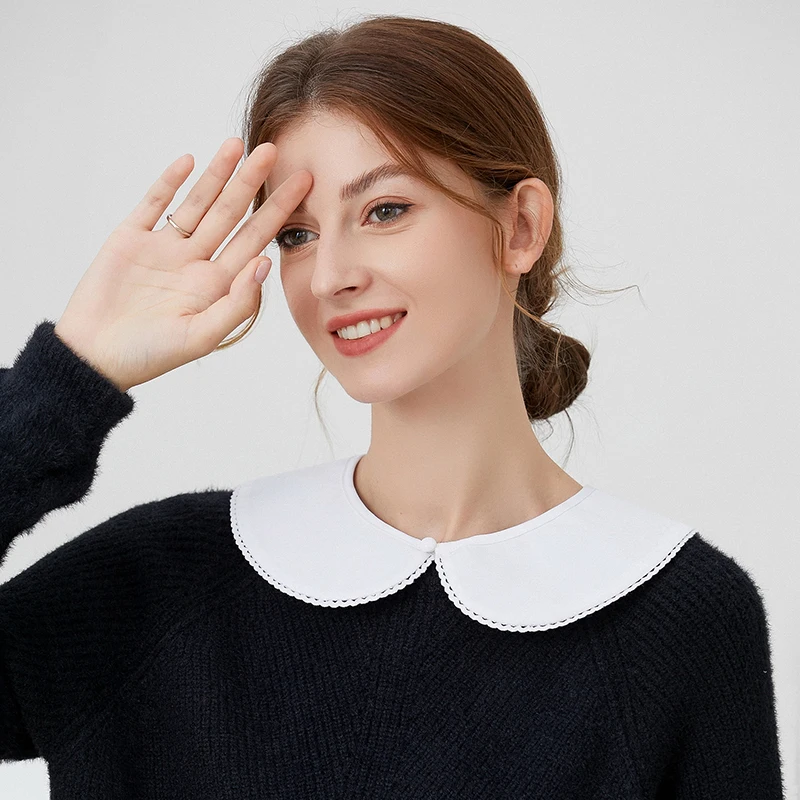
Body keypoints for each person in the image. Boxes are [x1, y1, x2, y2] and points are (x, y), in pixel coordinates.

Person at [0, 14, 785, 798]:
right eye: (297, 235)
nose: (329, 276)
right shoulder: (163, 585)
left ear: (520, 226)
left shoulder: (678, 617)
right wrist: (69, 377)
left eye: (384, 211)